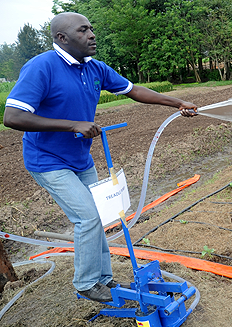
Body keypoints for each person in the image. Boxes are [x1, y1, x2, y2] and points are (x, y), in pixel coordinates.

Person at [3, 12, 198, 302]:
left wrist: (177, 102)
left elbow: (133, 91)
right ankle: (86, 283)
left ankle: (103, 280)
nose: (92, 35)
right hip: (47, 160)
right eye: (83, 30)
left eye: (91, 29)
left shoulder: (94, 68)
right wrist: (72, 125)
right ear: (62, 38)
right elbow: (13, 116)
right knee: (87, 217)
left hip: (81, 159)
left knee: (100, 218)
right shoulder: (41, 67)